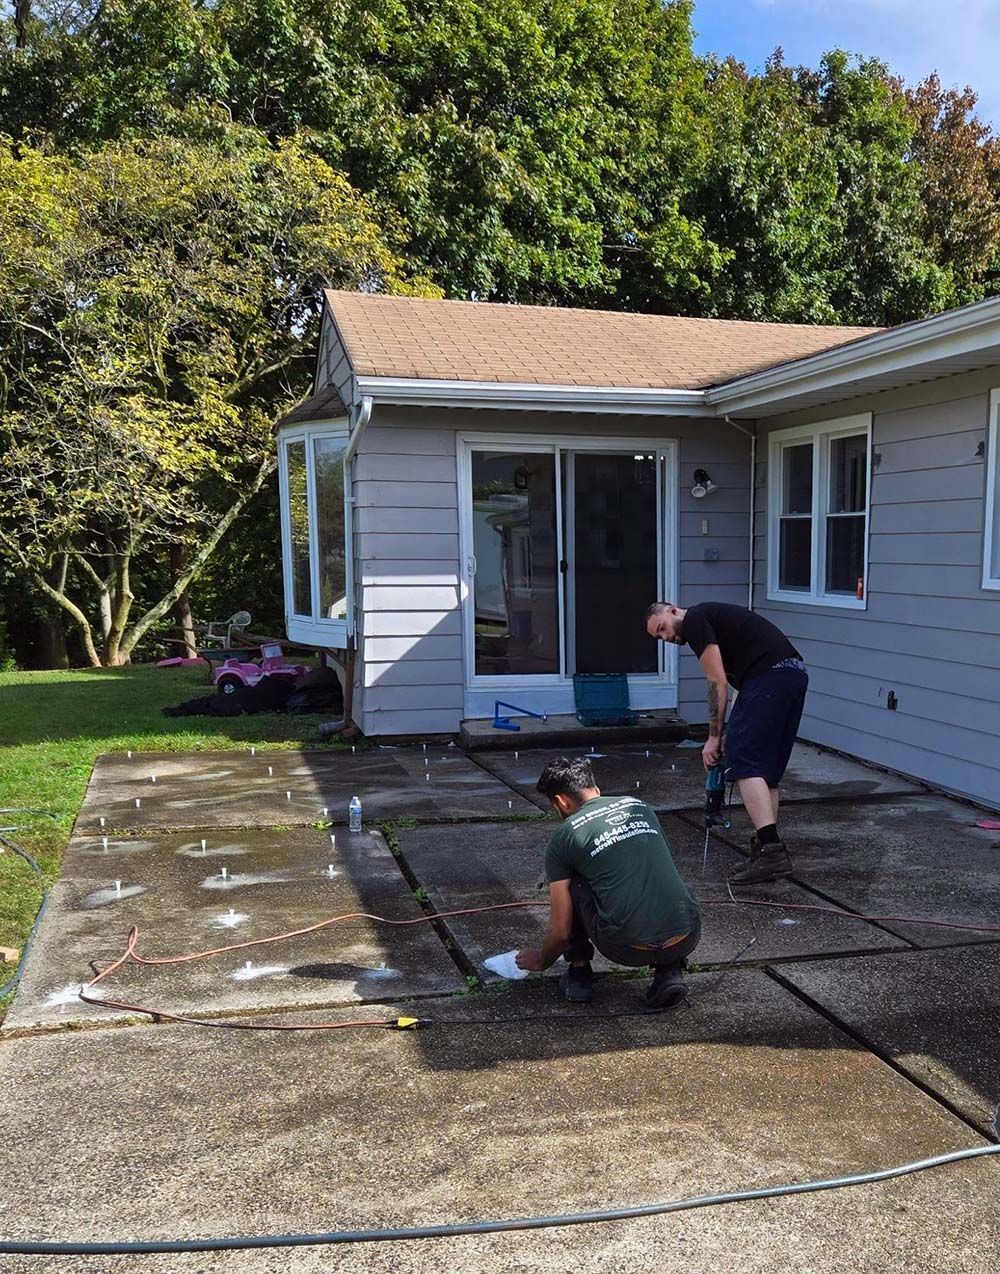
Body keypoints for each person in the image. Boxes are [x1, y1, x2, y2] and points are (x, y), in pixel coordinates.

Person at [515, 756, 701, 1009]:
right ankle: (669, 972)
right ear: (596, 790)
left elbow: (560, 931)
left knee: (574, 882)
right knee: (655, 873)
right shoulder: (638, 806)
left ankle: (579, 974)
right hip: (688, 934)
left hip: (626, 947)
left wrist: (540, 960)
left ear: (561, 801)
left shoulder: (565, 835)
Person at [645, 601, 808, 884]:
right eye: (659, 637)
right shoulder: (715, 621)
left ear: (672, 611)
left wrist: (713, 737)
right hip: (790, 675)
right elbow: (735, 687)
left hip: (769, 676)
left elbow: (716, 682)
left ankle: (772, 853)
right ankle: (768, 847)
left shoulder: (695, 619)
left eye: (662, 629)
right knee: (765, 771)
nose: (666, 638)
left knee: (745, 766)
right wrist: (727, 732)